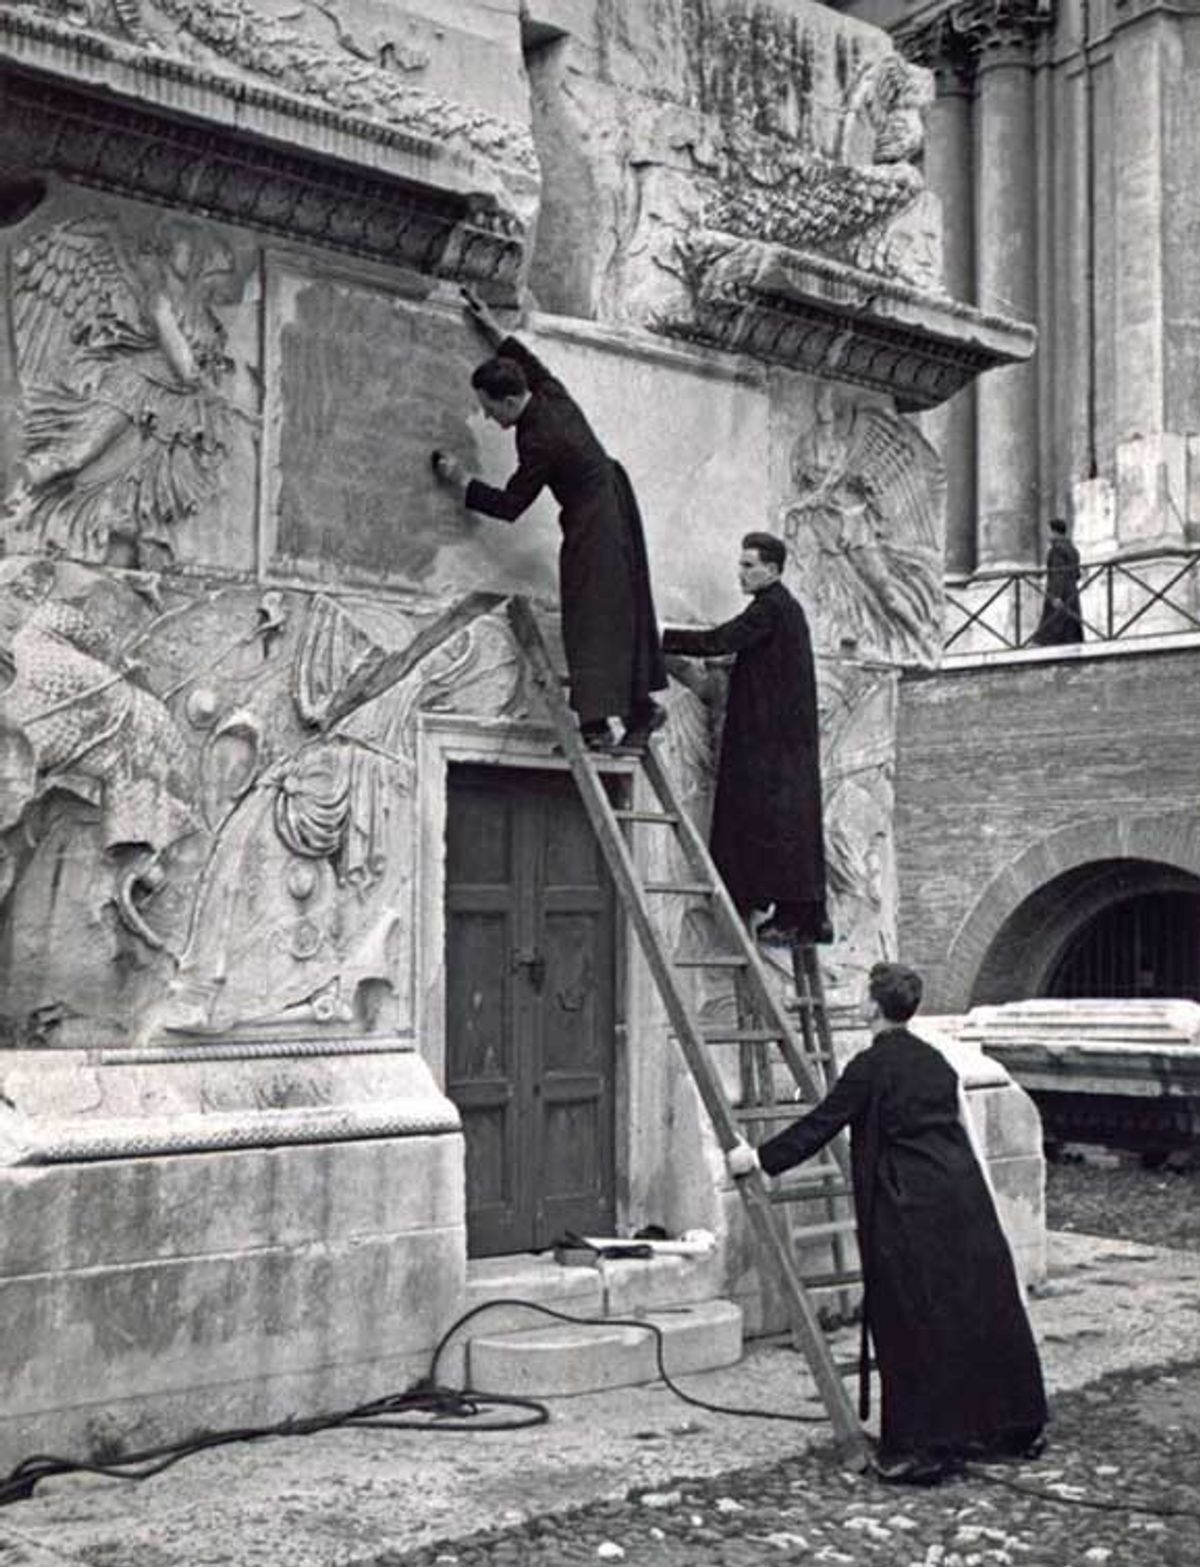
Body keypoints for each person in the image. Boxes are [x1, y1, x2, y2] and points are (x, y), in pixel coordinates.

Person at [727, 961, 1048, 1484]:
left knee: (911, 1323)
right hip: (962, 1199)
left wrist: (757, 1159)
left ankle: (925, 1449)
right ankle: (1012, 1425)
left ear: (873, 1006)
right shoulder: (937, 1061)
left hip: (909, 1207)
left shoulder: (870, 1067)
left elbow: (820, 1125)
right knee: (977, 1312)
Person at [432, 289, 666, 752]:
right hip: (612, 501)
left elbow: (512, 505)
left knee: (589, 617)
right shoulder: (547, 393)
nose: (485, 414)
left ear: (509, 401)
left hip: (593, 518)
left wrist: (462, 482)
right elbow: (527, 360)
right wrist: (491, 329)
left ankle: (603, 726)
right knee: (616, 611)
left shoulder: (538, 437)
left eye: (488, 405)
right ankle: (635, 712)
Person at [661, 533, 829, 945]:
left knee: (768, 821)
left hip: (770, 742)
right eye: (740, 564)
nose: (741, 572)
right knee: (782, 823)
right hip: (782, 740)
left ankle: (786, 913)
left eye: (749, 565)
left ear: (771, 570)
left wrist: (661, 635)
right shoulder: (783, 610)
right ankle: (798, 914)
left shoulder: (770, 609)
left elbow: (720, 640)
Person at [1031, 517, 1083, 646]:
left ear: (1054, 532)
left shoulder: (1056, 551)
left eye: (1048, 531)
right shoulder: (1073, 550)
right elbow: (1077, 574)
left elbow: (1057, 574)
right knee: (1070, 627)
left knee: (1054, 623)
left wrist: (1056, 596)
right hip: (1072, 592)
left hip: (1059, 592)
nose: (1047, 535)